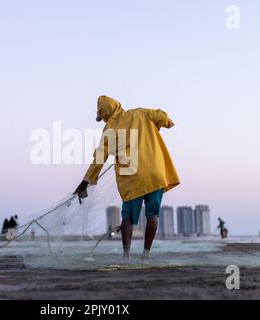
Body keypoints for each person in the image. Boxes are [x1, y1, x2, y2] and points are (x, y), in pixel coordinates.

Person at [74, 96, 180, 261]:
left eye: (102, 117)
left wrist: (84, 183)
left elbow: (99, 159)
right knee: (153, 215)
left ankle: (126, 255)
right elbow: (164, 117)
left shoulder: (109, 129)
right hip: (154, 172)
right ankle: (145, 255)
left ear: (104, 114)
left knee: (128, 217)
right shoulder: (141, 113)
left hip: (132, 178)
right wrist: (165, 124)